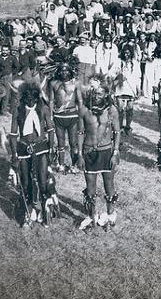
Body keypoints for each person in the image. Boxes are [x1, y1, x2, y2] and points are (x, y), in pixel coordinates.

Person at [9, 82, 58, 228]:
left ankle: (45, 212)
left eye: (33, 97)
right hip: (23, 149)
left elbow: (50, 130)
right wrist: (14, 156)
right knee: (25, 183)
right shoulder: (18, 110)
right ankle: (28, 214)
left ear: (37, 97)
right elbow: (12, 134)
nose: (30, 100)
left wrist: (50, 150)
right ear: (23, 97)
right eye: (27, 97)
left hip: (41, 148)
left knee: (42, 182)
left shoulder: (43, 108)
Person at [77, 75, 121, 231]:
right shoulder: (84, 110)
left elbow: (117, 132)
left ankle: (110, 215)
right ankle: (91, 216)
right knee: (90, 188)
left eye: (100, 94)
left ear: (106, 95)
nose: (97, 97)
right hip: (89, 152)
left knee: (109, 185)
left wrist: (115, 152)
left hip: (106, 152)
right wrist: (80, 155)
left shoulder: (112, 111)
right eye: (95, 93)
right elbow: (81, 132)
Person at [48, 63, 83, 173]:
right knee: (60, 142)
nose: (64, 73)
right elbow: (51, 100)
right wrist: (50, 116)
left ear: (70, 71)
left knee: (73, 143)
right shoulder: (54, 83)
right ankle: (61, 164)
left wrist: (81, 115)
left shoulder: (76, 83)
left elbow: (80, 100)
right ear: (58, 72)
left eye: (67, 70)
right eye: (62, 70)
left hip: (72, 115)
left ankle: (74, 165)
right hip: (59, 116)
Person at [111, 47, 141, 135]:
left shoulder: (135, 63)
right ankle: (119, 126)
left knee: (130, 109)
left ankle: (128, 126)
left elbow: (138, 77)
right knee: (120, 109)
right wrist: (119, 77)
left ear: (131, 53)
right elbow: (112, 74)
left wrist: (138, 89)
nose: (126, 55)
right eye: (125, 53)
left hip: (131, 88)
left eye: (128, 53)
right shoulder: (118, 62)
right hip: (120, 88)